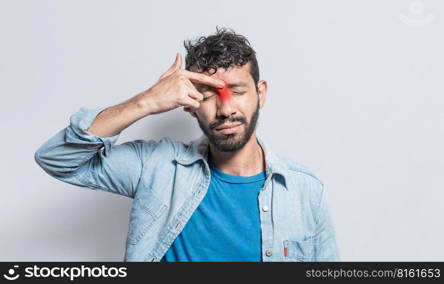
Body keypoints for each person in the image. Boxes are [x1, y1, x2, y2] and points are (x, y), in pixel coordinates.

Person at [35, 27, 340, 262]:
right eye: (208, 95)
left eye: (237, 91)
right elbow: (57, 158)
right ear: (189, 103)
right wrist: (147, 102)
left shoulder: (304, 190)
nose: (226, 109)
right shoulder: (156, 167)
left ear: (261, 93)